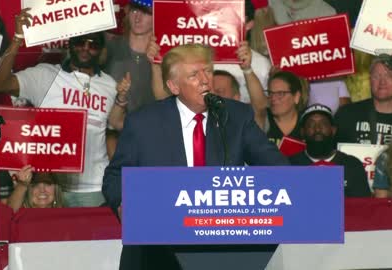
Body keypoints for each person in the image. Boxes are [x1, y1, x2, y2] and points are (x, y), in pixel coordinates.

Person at [102, 43, 288, 270]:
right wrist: (123, 203)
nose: (205, 80)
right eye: (193, 75)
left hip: (222, 249)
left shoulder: (236, 117)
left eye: (207, 71)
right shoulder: (144, 123)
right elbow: (115, 175)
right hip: (157, 251)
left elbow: (278, 169)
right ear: (173, 86)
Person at [0, 9, 117, 207]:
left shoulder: (110, 85)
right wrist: (17, 39)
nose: (85, 48)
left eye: (93, 45)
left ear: (101, 50)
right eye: (79, 42)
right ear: (69, 44)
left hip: (95, 188)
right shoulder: (45, 76)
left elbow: (115, 129)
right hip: (52, 189)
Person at [289, 104, 371, 197]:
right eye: (311, 124)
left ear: (333, 130)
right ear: (302, 132)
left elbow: (362, 207)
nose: (317, 129)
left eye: (323, 124)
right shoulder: (290, 165)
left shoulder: (352, 165)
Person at [335, 52, 392, 145]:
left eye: (389, 76)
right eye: (376, 76)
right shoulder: (346, 114)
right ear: (370, 80)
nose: (382, 81)